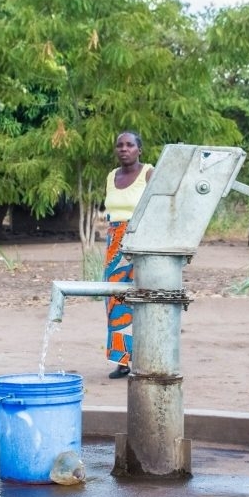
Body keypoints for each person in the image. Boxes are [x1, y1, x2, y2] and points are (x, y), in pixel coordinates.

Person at [103, 131, 154, 379]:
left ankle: (148, 357)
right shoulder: (111, 176)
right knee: (114, 300)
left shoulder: (149, 173)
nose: (124, 149)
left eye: (129, 145)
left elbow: (158, 208)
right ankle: (122, 360)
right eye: (120, 145)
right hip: (114, 242)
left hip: (140, 239)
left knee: (144, 297)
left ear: (139, 149)